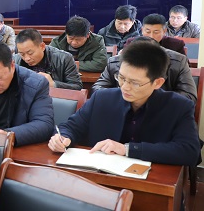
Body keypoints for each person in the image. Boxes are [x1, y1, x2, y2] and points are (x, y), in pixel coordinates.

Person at [50, 40, 200, 166]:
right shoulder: (102, 98)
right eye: (121, 78)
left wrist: (128, 149)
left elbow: (190, 152)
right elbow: (70, 127)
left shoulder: (178, 106)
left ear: (157, 83)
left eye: (135, 83)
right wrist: (63, 138)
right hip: (100, 175)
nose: (125, 87)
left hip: (150, 181)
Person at [91, 36, 197, 102]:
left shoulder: (178, 62)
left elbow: (189, 97)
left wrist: (146, 97)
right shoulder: (115, 61)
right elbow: (98, 89)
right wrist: (126, 96)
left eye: (135, 83)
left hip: (162, 113)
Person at [14, 29, 82, 90]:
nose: (27, 58)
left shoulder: (64, 58)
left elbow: (77, 87)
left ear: (42, 46)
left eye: (30, 53)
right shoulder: (15, 60)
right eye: (22, 54)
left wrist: (53, 84)